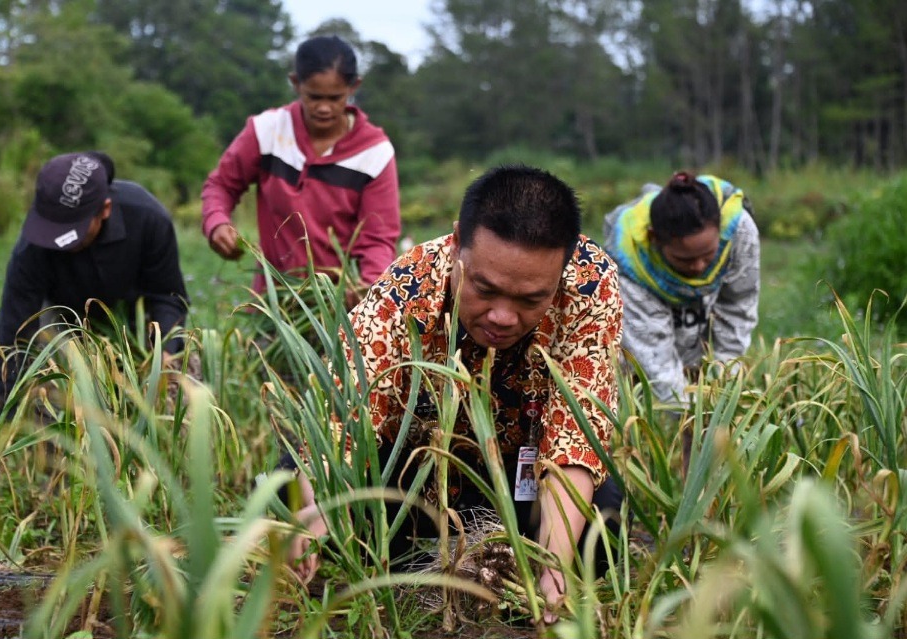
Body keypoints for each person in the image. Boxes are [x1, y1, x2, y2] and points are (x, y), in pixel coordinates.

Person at [286, 165, 623, 624]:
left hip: (517, 477)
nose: (503, 317)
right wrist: (322, 503)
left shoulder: (590, 283)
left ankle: (504, 567)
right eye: (484, 289)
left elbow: (575, 430)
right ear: (457, 241)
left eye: (529, 301)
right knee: (291, 487)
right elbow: (344, 411)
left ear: (562, 265)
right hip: (414, 477)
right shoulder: (409, 285)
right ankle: (400, 564)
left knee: (600, 528)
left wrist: (554, 566)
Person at [0, 151, 189, 421]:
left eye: (70, 233)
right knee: (53, 400)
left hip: (136, 317)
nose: (60, 243)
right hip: (65, 317)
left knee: (178, 390)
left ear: (104, 209)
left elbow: (167, 296)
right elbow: (11, 336)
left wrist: (164, 353)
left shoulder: (148, 218)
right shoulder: (35, 244)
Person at [201, 35, 401, 301]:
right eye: (314, 97)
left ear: (354, 87)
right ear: (296, 84)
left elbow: (378, 237)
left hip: (337, 303)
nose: (324, 108)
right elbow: (222, 185)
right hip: (273, 299)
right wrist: (216, 223)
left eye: (335, 98)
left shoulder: (374, 153)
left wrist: (367, 288)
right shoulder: (267, 131)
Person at [603, 171, 760, 404]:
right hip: (645, 370)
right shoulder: (629, 262)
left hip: (699, 348)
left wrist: (722, 393)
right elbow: (656, 361)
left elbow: (737, 308)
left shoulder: (739, 231)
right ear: (654, 238)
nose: (698, 267)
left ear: (721, 229)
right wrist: (690, 419)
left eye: (708, 255)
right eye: (684, 260)